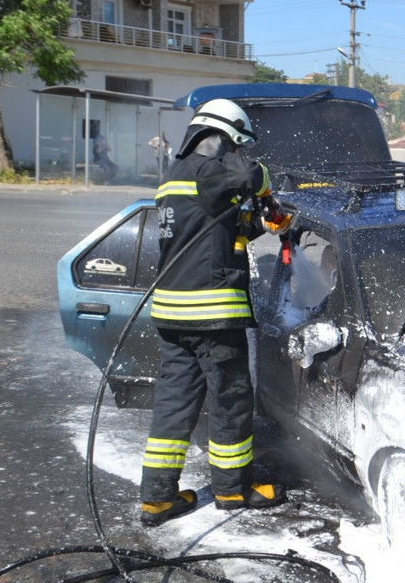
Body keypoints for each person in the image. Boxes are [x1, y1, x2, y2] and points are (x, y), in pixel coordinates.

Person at [140, 98, 293, 527]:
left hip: (172, 315)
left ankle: (157, 499)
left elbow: (215, 229)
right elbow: (246, 175)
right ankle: (232, 490)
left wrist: (262, 223)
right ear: (219, 136)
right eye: (235, 146)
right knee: (229, 399)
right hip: (210, 315)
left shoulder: (175, 177)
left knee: (174, 403)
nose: (236, 156)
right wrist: (263, 184)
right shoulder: (209, 168)